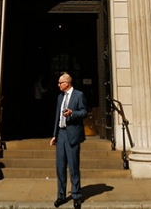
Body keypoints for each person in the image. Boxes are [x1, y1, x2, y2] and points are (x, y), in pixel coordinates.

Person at [50, 73, 86, 209]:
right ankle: (61, 195)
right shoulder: (60, 97)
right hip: (61, 134)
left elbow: (84, 112)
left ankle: (76, 196)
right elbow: (57, 116)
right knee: (60, 167)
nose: (58, 85)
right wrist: (54, 134)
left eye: (60, 83)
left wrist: (72, 113)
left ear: (67, 83)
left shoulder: (79, 95)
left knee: (73, 166)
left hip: (73, 135)